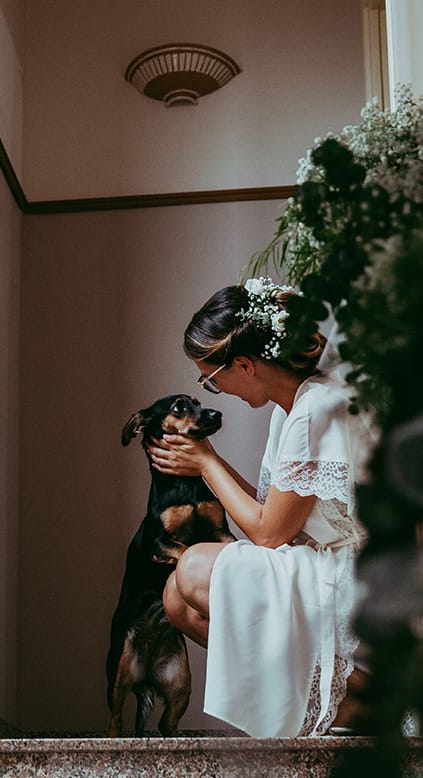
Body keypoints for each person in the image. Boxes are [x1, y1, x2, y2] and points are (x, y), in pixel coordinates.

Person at [150, 277, 378, 737]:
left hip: (356, 573)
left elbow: (270, 534)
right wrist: (205, 464)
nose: (217, 391)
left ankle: (368, 694)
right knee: (176, 599)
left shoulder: (317, 408)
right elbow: (275, 513)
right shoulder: (289, 410)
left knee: (193, 569)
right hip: (316, 562)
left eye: (212, 380)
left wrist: (207, 463)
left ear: (244, 365)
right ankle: (338, 705)